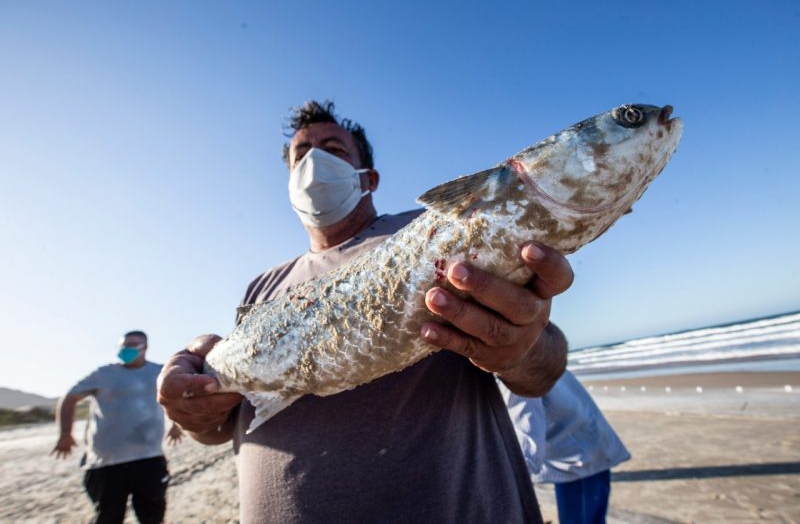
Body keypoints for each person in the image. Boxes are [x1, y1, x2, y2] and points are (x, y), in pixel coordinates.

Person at [157, 100, 575, 523]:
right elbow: (227, 417)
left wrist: (522, 350)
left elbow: (544, 366)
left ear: (368, 178)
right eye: (301, 155)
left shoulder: (440, 229)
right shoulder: (260, 288)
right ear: (288, 181)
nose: (314, 162)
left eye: (334, 150)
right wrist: (190, 413)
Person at [52, 330, 183, 524]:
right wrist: (65, 433)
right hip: (104, 465)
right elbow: (69, 398)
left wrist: (176, 425)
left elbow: (176, 398)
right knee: (107, 517)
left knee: (153, 516)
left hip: (149, 460)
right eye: (123, 346)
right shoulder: (103, 374)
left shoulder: (160, 373)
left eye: (131, 346)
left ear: (144, 348)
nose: (125, 350)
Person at [500, 370, 631, 524]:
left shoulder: (511, 368)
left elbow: (528, 443)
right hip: (572, 453)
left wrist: (502, 488)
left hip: (578, 459)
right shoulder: (523, 353)